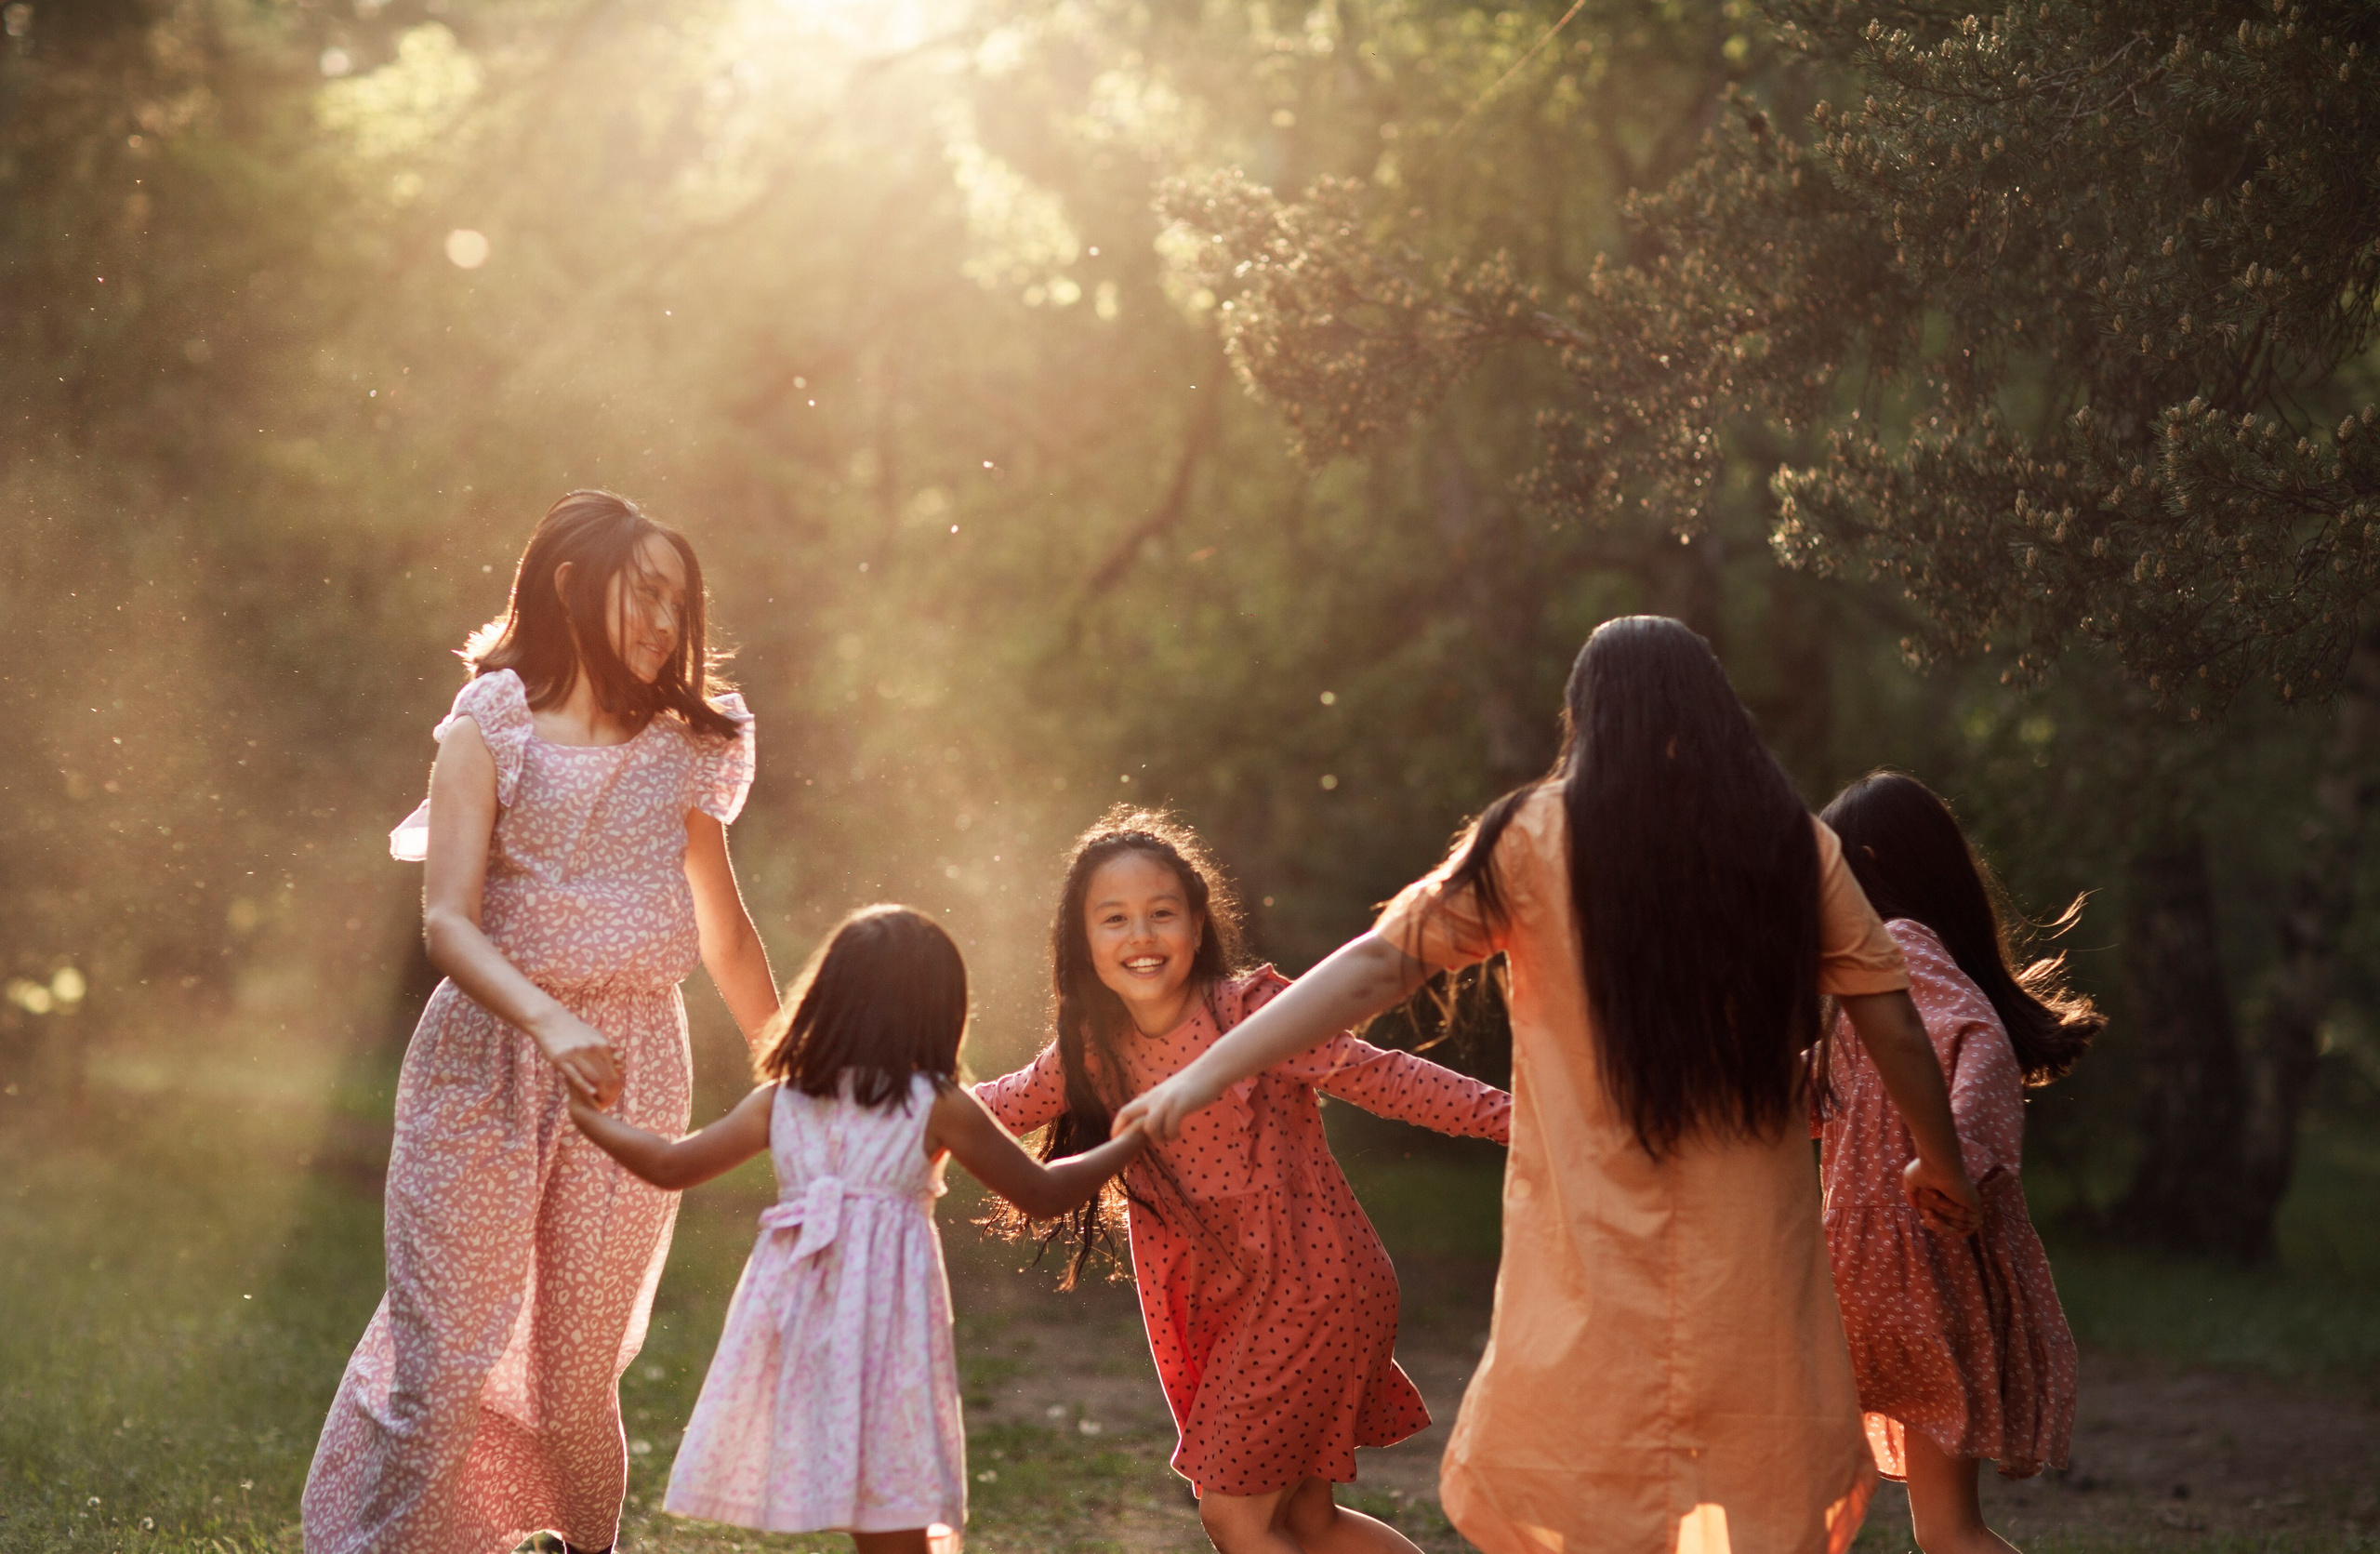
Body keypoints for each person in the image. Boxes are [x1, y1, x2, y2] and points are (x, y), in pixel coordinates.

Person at [1117, 617, 1986, 1554]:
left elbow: (1377, 966)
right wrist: (1940, 1164)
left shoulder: (1534, 835)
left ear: (1587, 716)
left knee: (1581, 1488)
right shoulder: (1792, 844)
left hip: (1589, 1253)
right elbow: (1891, 1021)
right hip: (1750, 1258)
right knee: (1751, 1491)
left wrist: (1210, 1066)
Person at [303, 490, 781, 1554]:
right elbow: (446, 922)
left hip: (632, 1073)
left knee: (575, 1386)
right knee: (440, 1364)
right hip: (482, 1064)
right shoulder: (493, 720)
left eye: (679, 602)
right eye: (644, 593)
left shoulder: (688, 743)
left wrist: (799, 1073)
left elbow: (727, 937)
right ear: (571, 587)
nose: (665, 621)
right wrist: (549, 1023)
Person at [975, 808, 1513, 1554]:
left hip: (1309, 1288)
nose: (1140, 935)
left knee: (1236, 1517)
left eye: (1162, 913)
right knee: (1307, 1520)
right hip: (1224, 1310)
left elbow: (1387, 1078)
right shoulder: (1091, 1050)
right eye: (1114, 918)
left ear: (1197, 924)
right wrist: (864, 1108)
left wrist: (1523, 1122)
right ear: (1082, 940)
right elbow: (990, 1109)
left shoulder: (1252, 1016)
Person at [567, 904, 1147, 1553]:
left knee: (851, 1485)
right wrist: (1129, 1140)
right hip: (886, 1332)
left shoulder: (782, 1100)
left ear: (826, 1000)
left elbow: (669, 1163)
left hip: (797, 1325)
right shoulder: (934, 1103)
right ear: (936, 1011)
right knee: (890, 1501)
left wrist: (589, 1118)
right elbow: (1042, 1192)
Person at [1816, 771, 2099, 1554]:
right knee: (1948, 1531)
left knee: (1769, 1470)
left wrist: (1956, 1160)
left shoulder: (1895, 942)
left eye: (1831, 872)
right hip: (1923, 1282)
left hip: (1894, 1271)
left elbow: (1980, 1037)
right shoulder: (1886, 969)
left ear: (1869, 865)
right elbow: (1832, 1087)